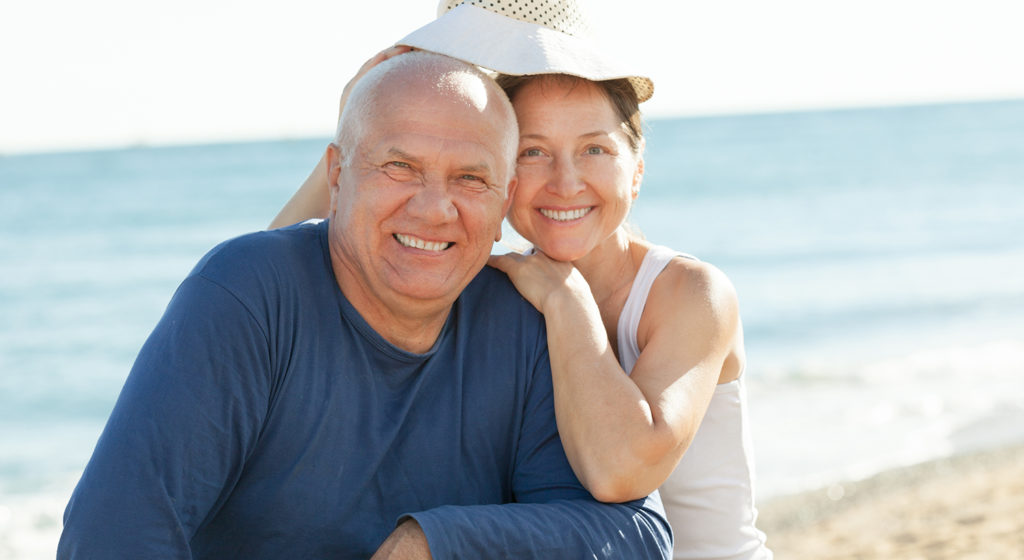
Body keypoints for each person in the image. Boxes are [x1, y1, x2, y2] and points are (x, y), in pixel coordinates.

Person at [58, 51, 672, 559]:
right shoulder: (245, 295)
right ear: (337, 173)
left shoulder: (523, 322)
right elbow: (115, 533)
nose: (435, 209)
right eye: (399, 167)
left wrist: (435, 544)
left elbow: (635, 538)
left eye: (470, 178)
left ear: (505, 197)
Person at [271, 1, 773, 558]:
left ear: (636, 169)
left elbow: (620, 472)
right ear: (499, 172)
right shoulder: (497, 282)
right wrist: (355, 133)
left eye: (595, 149)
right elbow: (284, 290)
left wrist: (566, 298)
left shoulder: (690, 293)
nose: (566, 182)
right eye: (534, 151)